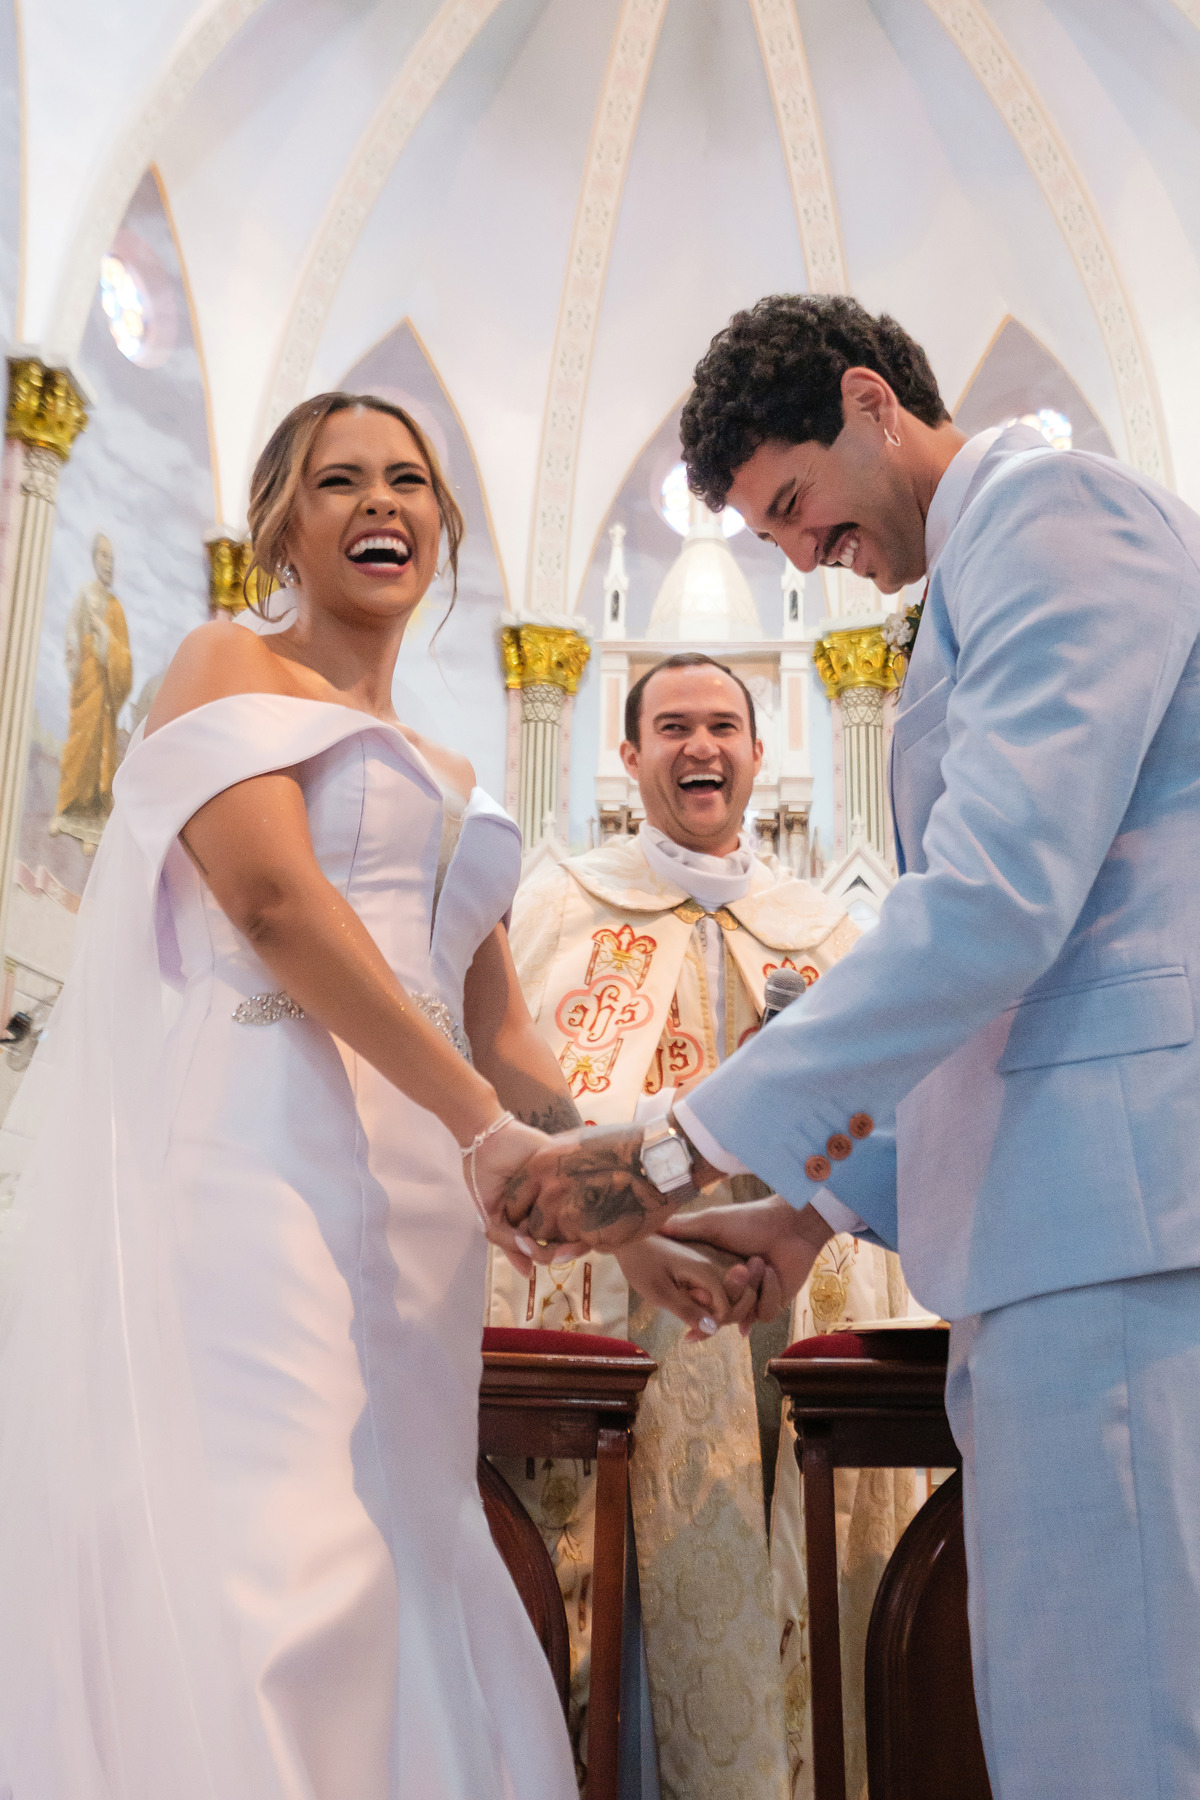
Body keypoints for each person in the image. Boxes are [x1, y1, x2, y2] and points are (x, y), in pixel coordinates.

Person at [491, 294, 1200, 1800]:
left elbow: (995, 907)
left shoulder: (1055, 518)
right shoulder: (981, 571)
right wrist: (812, 1211)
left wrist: (680, 1150)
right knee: (1074, 1725)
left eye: (798, 505)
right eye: (774, 536)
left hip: (1124, 1237)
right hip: (1068, 1235)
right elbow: (998, 992)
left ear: (874, 403)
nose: (808, 557)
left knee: (1124, 1735)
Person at [0, 391, 740, 1800]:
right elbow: (275, 905)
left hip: (426, 1200)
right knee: (289, 1538)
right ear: (282, 523)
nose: (380, 502)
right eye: (339, 481)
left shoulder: (452, 767)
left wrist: (625, 1216)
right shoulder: (227, 662)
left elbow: (505, 1033)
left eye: (407, 481)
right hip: (258, 1146)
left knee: (402, 1523)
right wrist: (482, 1126)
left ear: (443, 531)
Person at [489, 650, 913, 1798]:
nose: (701, 745)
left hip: (788, 1306)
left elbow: (885, 1109)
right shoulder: (561, 906)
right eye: (672, 726)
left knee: (788, 1556)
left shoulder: (822, 929)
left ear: (760, 755)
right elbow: (528, 1107)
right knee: (626, 1601)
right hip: (629, 1310)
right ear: (627, 754)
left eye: (723, 724)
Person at [51, 530, 133, 850]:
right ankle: (66, 811)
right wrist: (77, 654)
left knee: (101, 748)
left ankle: (93, 824)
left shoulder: (116, 608)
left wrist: (107, 640)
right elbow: (72, 630)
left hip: (105, 689)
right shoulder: (85, 595)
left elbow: (124, 658)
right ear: (94, 559)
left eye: (112, 558)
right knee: (79, 742)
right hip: (86, 681)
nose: (109, 564)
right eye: (104, 556)